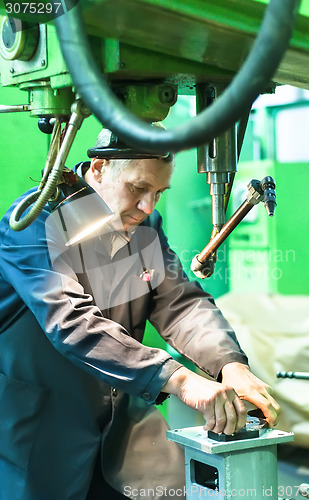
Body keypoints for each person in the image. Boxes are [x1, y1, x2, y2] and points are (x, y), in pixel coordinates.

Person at [0, 128, 280, 500]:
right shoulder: (32, 224)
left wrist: (229, 364)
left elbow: (179, 302)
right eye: (137, 189)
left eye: (159, 193)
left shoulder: (143, 225)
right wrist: (180, 380)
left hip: (122, 423)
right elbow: (72, 322)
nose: (149, 206)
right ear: (100, 167)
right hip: (42, 427)